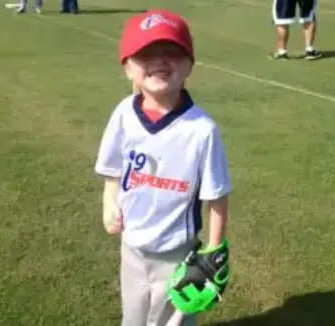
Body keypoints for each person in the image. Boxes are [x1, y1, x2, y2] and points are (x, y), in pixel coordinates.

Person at [94, 9, 232, 326]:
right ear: (128, 67)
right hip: (132, 246)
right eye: (146, 53)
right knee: (134, 317)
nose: (160, 61)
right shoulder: (124, 114)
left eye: (172, 52)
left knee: (171, 322)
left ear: (189, 65)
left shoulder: (201, 130)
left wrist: (214, 250)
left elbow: (217, 196)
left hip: (176, 253)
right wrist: (108, 203)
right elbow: (113, 167)